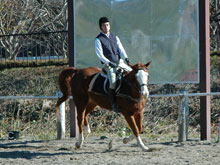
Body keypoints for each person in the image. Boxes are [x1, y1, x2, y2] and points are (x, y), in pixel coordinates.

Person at [95, 17, 131, 113]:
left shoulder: (115, 37)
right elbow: (100, 54)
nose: (106, 27)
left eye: (107, 24)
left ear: (109, 26)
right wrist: (108, 62)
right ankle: (114, 104)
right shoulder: (98, 39)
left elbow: (121, 49)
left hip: (119, 62)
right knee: (113, 82)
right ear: (100, 27)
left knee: (132, 74)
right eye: (103, 25)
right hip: (109, 65)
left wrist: (126, 58)